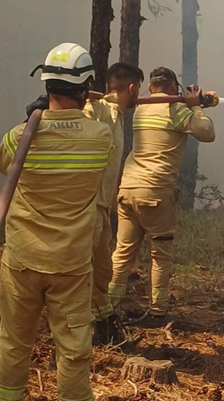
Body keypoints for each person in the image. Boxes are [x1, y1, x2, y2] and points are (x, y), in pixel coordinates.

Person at [0, 42, 115, 401]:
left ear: (45, 86)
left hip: (22, 259)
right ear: (86, 87)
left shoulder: (20, 135)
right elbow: (91, 129)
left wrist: (33, 121)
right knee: (74, 346)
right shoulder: (100, 139)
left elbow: (0, 162)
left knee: (13, 341)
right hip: (70, 264)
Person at [107, 66, 215, 319]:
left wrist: (189, 104)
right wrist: (196, 106)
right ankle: (158, 311)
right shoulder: (176, 109)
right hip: (156, 191)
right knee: (161, 253)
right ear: (172, 87)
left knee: (122, 253)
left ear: (150, 88)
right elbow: (207, 132)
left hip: (128, 188)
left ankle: (108, 308)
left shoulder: (141, 107)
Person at [82, 63, 144, 345]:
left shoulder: (116, 115)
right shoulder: (98, 110)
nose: (138, 97)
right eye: (137, 90)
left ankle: (105, 325)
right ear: (131, 88)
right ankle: (74, 335)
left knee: (102, 271)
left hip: (103, 207)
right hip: (88, 205)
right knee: (83, 270)